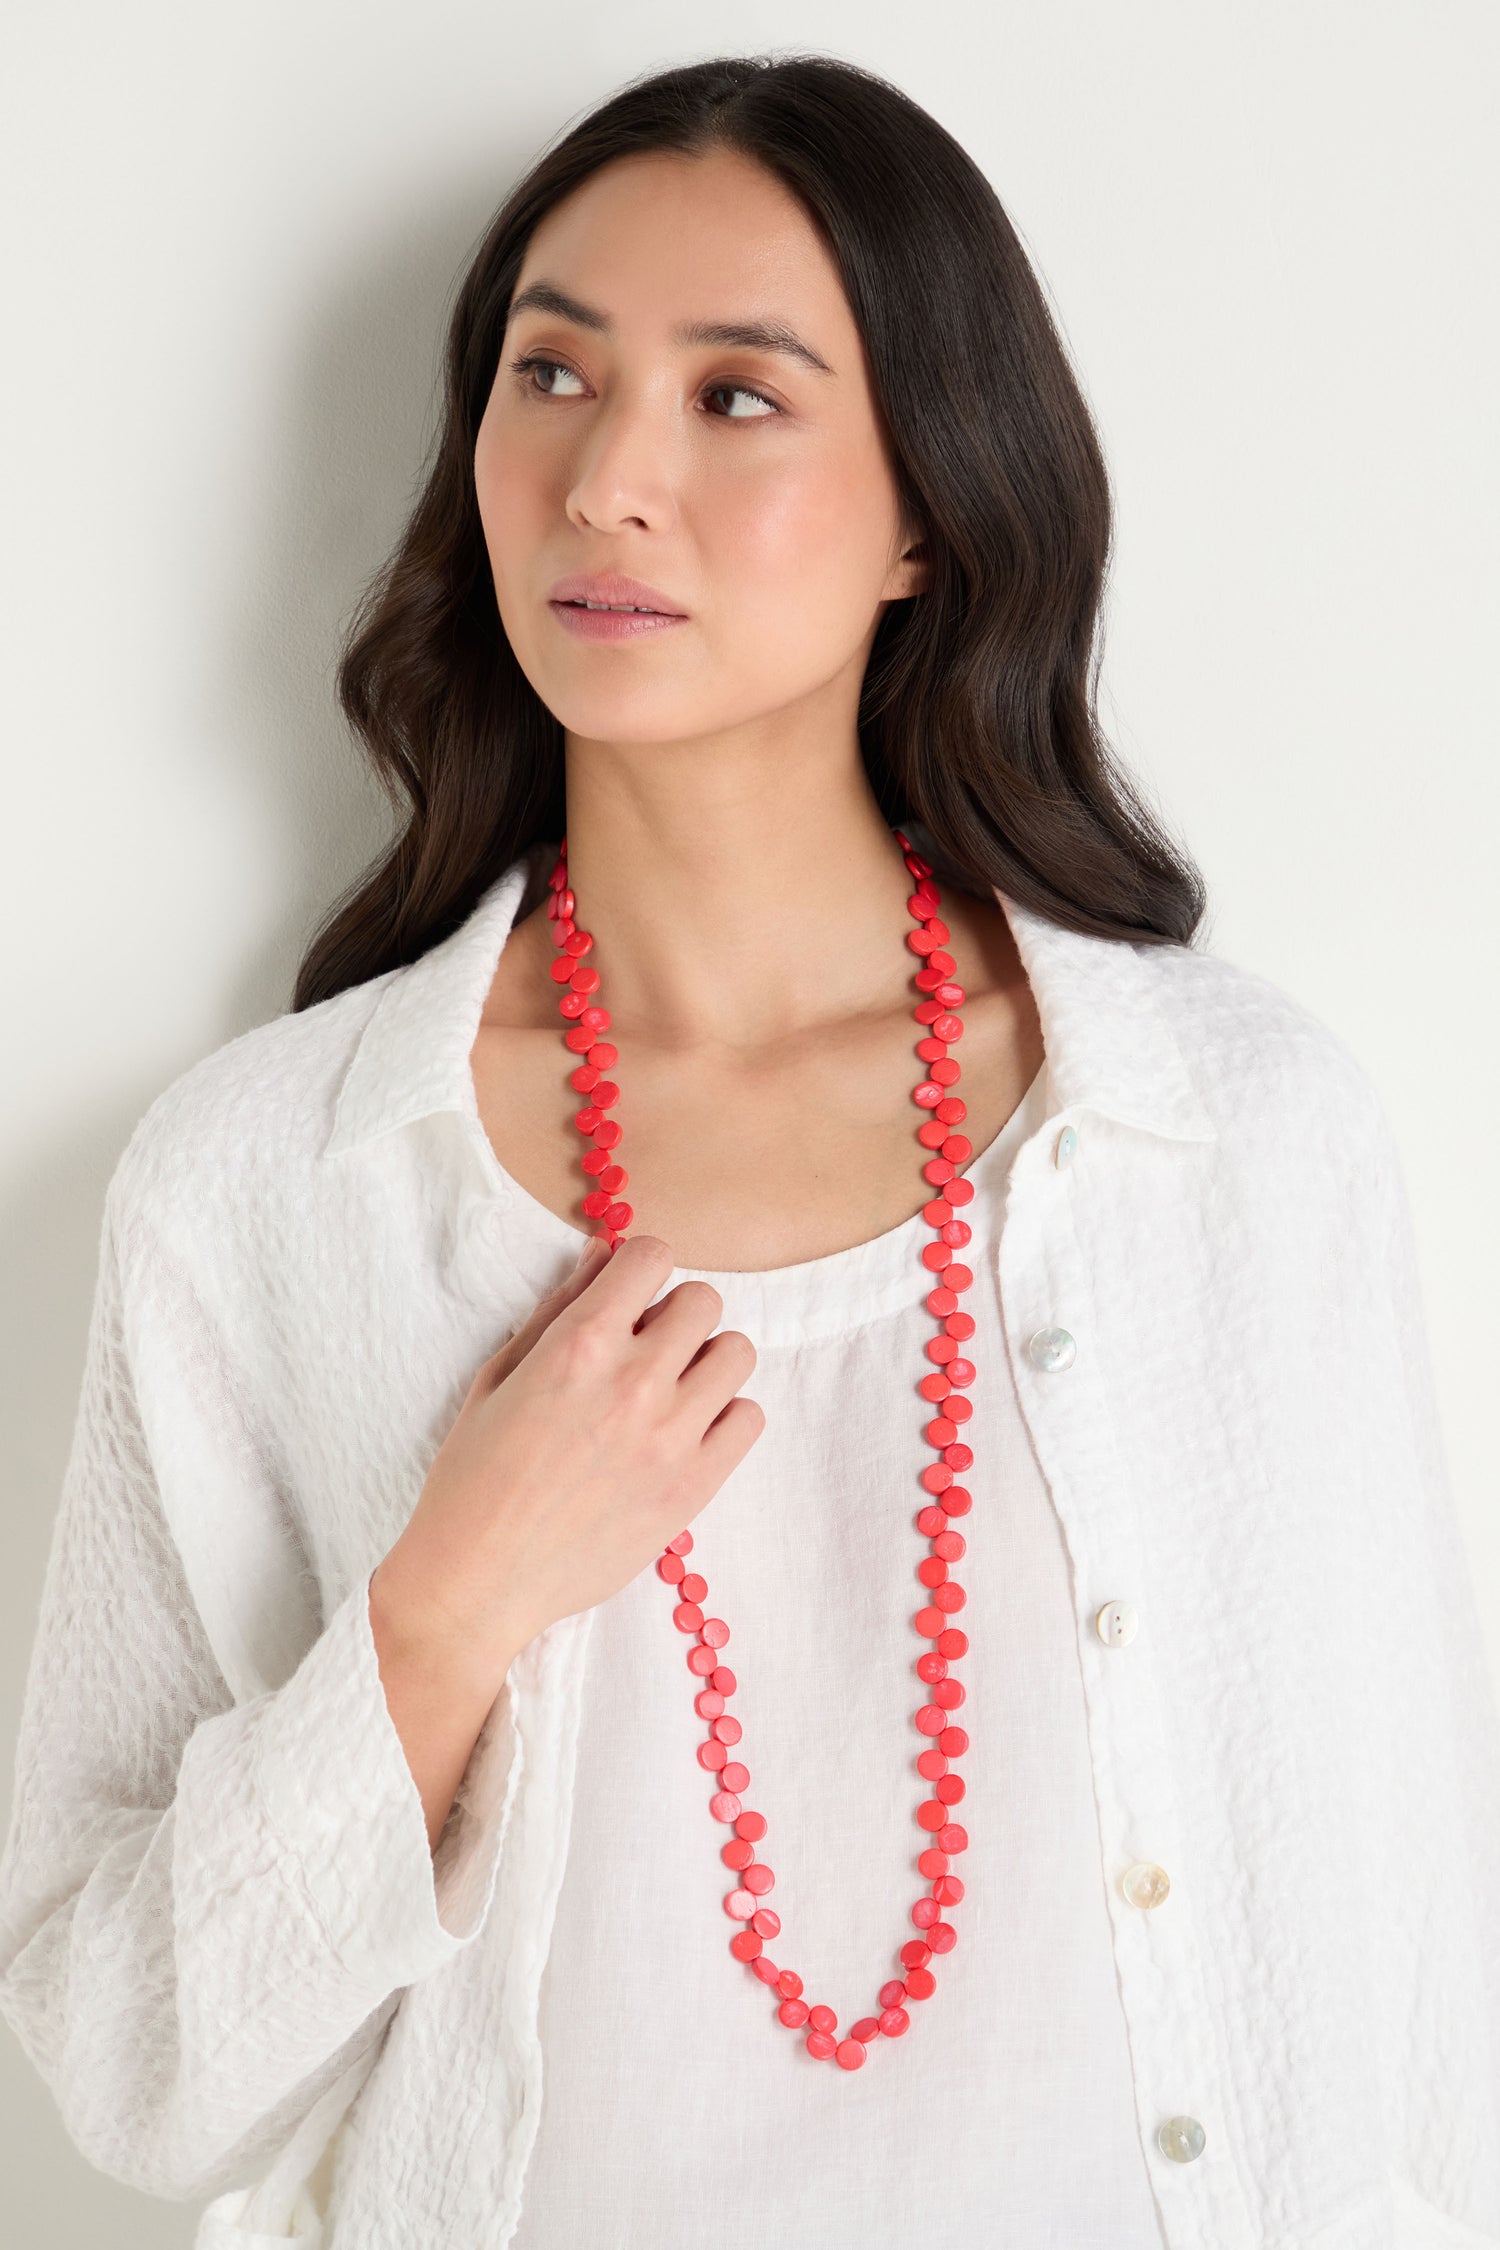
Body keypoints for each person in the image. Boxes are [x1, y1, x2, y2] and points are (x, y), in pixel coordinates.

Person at [2, 50, 1496, 2250]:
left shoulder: (1228, 1143)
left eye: (738, 396)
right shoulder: (266, 1187)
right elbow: (131, 2074)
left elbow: (1390, 1973)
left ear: (929, 507)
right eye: (552, 373)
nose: (610, 477)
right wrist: (447, 1611)